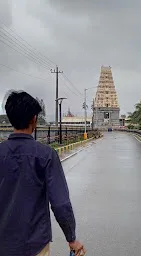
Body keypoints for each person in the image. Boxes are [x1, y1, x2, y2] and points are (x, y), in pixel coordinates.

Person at [0, 91, 86, 256]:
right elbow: (60, 203)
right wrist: (72, 239)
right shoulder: (46, 155)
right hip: (33, 245)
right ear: (34, 119)